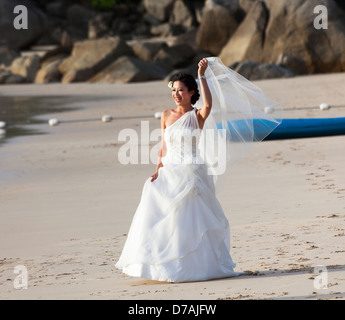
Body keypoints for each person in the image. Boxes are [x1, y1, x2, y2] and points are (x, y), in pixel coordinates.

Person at [115, 58, 242, 282]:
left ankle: (193, 266)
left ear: (192, 92)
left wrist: (201, 75)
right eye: (174, 90)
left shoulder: (197, 116)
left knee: (191, 219)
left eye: (181, 90)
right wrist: (157, 169)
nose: (176, 94)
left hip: (191, 172)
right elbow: (164, 147)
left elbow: (209, 105)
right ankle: (161, 263)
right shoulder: (166, 115)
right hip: (169, 170)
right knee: (157, 208)